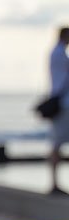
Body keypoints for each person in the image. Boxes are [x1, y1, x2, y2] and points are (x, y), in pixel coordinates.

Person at [48, 27, 69, 194]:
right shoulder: (60, 54)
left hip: (61, 103)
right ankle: (54, 184)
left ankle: (54, 183)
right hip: (63, 104)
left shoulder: (56, 53)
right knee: (57, 144)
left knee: (56, 144)